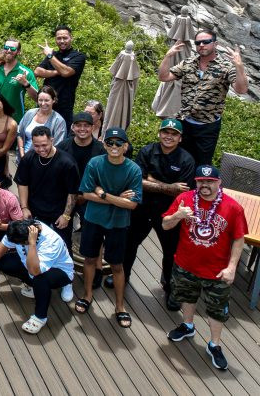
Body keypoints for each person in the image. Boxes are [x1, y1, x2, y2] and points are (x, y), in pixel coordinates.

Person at [163, 164, 247, 371]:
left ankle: (214, 344)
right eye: (201, 181)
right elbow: (165, 224)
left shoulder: (233, 208)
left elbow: (238, 239)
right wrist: (178, 216)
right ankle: (188, 326)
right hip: (185, 264)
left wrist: (232, 267)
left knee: (217, 310)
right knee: (186, 297)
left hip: (216, 271)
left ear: (219, 182)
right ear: (196, 183)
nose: (205, 185)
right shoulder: (185, 200)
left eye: (210, 181)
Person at [118, 118, 195, 309]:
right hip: (142, 208)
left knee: (171, 252)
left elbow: (183, 191)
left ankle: (169, 286)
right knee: (129, 244)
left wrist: (152, 181)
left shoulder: (186, 160)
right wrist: (168, 186)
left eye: (174, 134)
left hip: (169, 213)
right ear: (159, 133)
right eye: (165, 132)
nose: (169, 136)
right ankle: (123, 276)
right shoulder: (147, 151)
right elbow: (137, 182)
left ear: (180, 138)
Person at [76, 127, 143, 328]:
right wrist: (116, 198)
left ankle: (120, 307)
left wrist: (103, 194)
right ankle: (87, 296)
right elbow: (85, 194)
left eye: (118, 143)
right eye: (110, 143)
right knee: (89, 259)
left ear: (126, 146)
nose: (114, 147)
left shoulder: (134, 170)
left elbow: (132, 204)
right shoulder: (95, 163)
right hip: (93, 219)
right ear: (104, 145)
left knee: (117, 266)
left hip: (118, 223)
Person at [158, 28, 249, 166]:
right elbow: (164, 77)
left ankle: (196, 187)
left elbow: (241, 89)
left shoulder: (225, 67)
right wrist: (168, 56)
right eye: (198, 42)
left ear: (215, 44)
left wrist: (239, 66)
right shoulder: (188, 63)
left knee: (202, 164)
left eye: (206, 42)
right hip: (185, 121)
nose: (201, 45)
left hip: (207, 127)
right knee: (178, 161)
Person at [0, 219, 75, 335]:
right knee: (2, 262)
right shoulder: (25, 227)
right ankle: (37, 289)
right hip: (31, 264)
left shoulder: (51, 242)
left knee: (40, 279)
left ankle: (40, 317)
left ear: (26, 240)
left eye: (19, 244)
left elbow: (35, 271)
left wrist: (32, 244)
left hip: (60, 270)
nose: (15, 245)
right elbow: (4, 243)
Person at [15, 126, 81, 248]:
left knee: (63, 246)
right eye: (36, 146)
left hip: (58, 212)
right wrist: (24, 207)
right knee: (35, 244)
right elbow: (22, 183)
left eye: (44, 145)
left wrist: (66, 216)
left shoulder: (67, 162)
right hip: (35, 210)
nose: (41, 149)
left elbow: (73, 192)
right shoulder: (29, 158)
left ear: (52, 140)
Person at [33, 25, 86, 126]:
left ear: (71, 38)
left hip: (64, 106)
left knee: (61, 138)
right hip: (45, 103)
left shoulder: (78, 56)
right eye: (59, 38)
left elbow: (66, 72)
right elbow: (37, 71)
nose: (62, 41)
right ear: (55, 39)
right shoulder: (54, 55)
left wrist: (49, 56)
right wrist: (57, 72)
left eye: (65, 38)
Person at [0, 39, 38, 122]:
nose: (9, 50)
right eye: (6, 48)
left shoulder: (26, 72)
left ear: (18, 52)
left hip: (15, 120)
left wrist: (26, 83)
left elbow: (37, 98)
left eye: (13, 49)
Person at [16, 85, 67, 158]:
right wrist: (22, 153)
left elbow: (58, 145)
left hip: (44, 161)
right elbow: (20, 133)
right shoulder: (30, 113)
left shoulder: (58, 121)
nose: (43, 103)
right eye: (40, 100)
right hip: (23, 157)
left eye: (46, 100)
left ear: (54, 100)